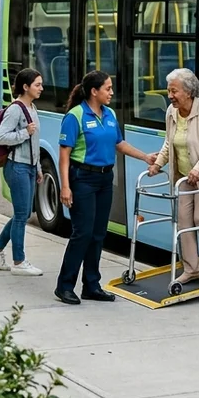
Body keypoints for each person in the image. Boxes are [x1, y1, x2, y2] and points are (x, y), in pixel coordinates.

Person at [55, 70, 153, 305]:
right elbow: (64, 155)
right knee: (83, 233)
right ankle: (65, 286)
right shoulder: (75, 116)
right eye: (107, 88)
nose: (111, 92)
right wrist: (65, 187)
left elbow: (119, 143)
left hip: (104, 180)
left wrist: (145, 157)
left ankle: (91, 285)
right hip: (82, 179)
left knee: (99, 234)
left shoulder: (109, 114)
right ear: (94, 91)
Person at [146, 69, 199, 283]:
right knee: (184, 219)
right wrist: (158, 164)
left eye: (174, 91)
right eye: (169, 91)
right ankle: (192, 268)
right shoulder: (172, 112)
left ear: (189, 91)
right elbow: (169, 142)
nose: (170, 95)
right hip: (185, 176)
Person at [0, 68, 45, 276]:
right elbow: (1, 138)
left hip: (28, 167)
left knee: (24, 213)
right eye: (37, 84)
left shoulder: (32, 108)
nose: (41, 88)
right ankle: (19, 262)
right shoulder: (16, 110)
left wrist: (37, 167)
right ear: (25, 87)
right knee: (21, 215)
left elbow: (34, 143)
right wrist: (23, 132)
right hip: (16, 167)